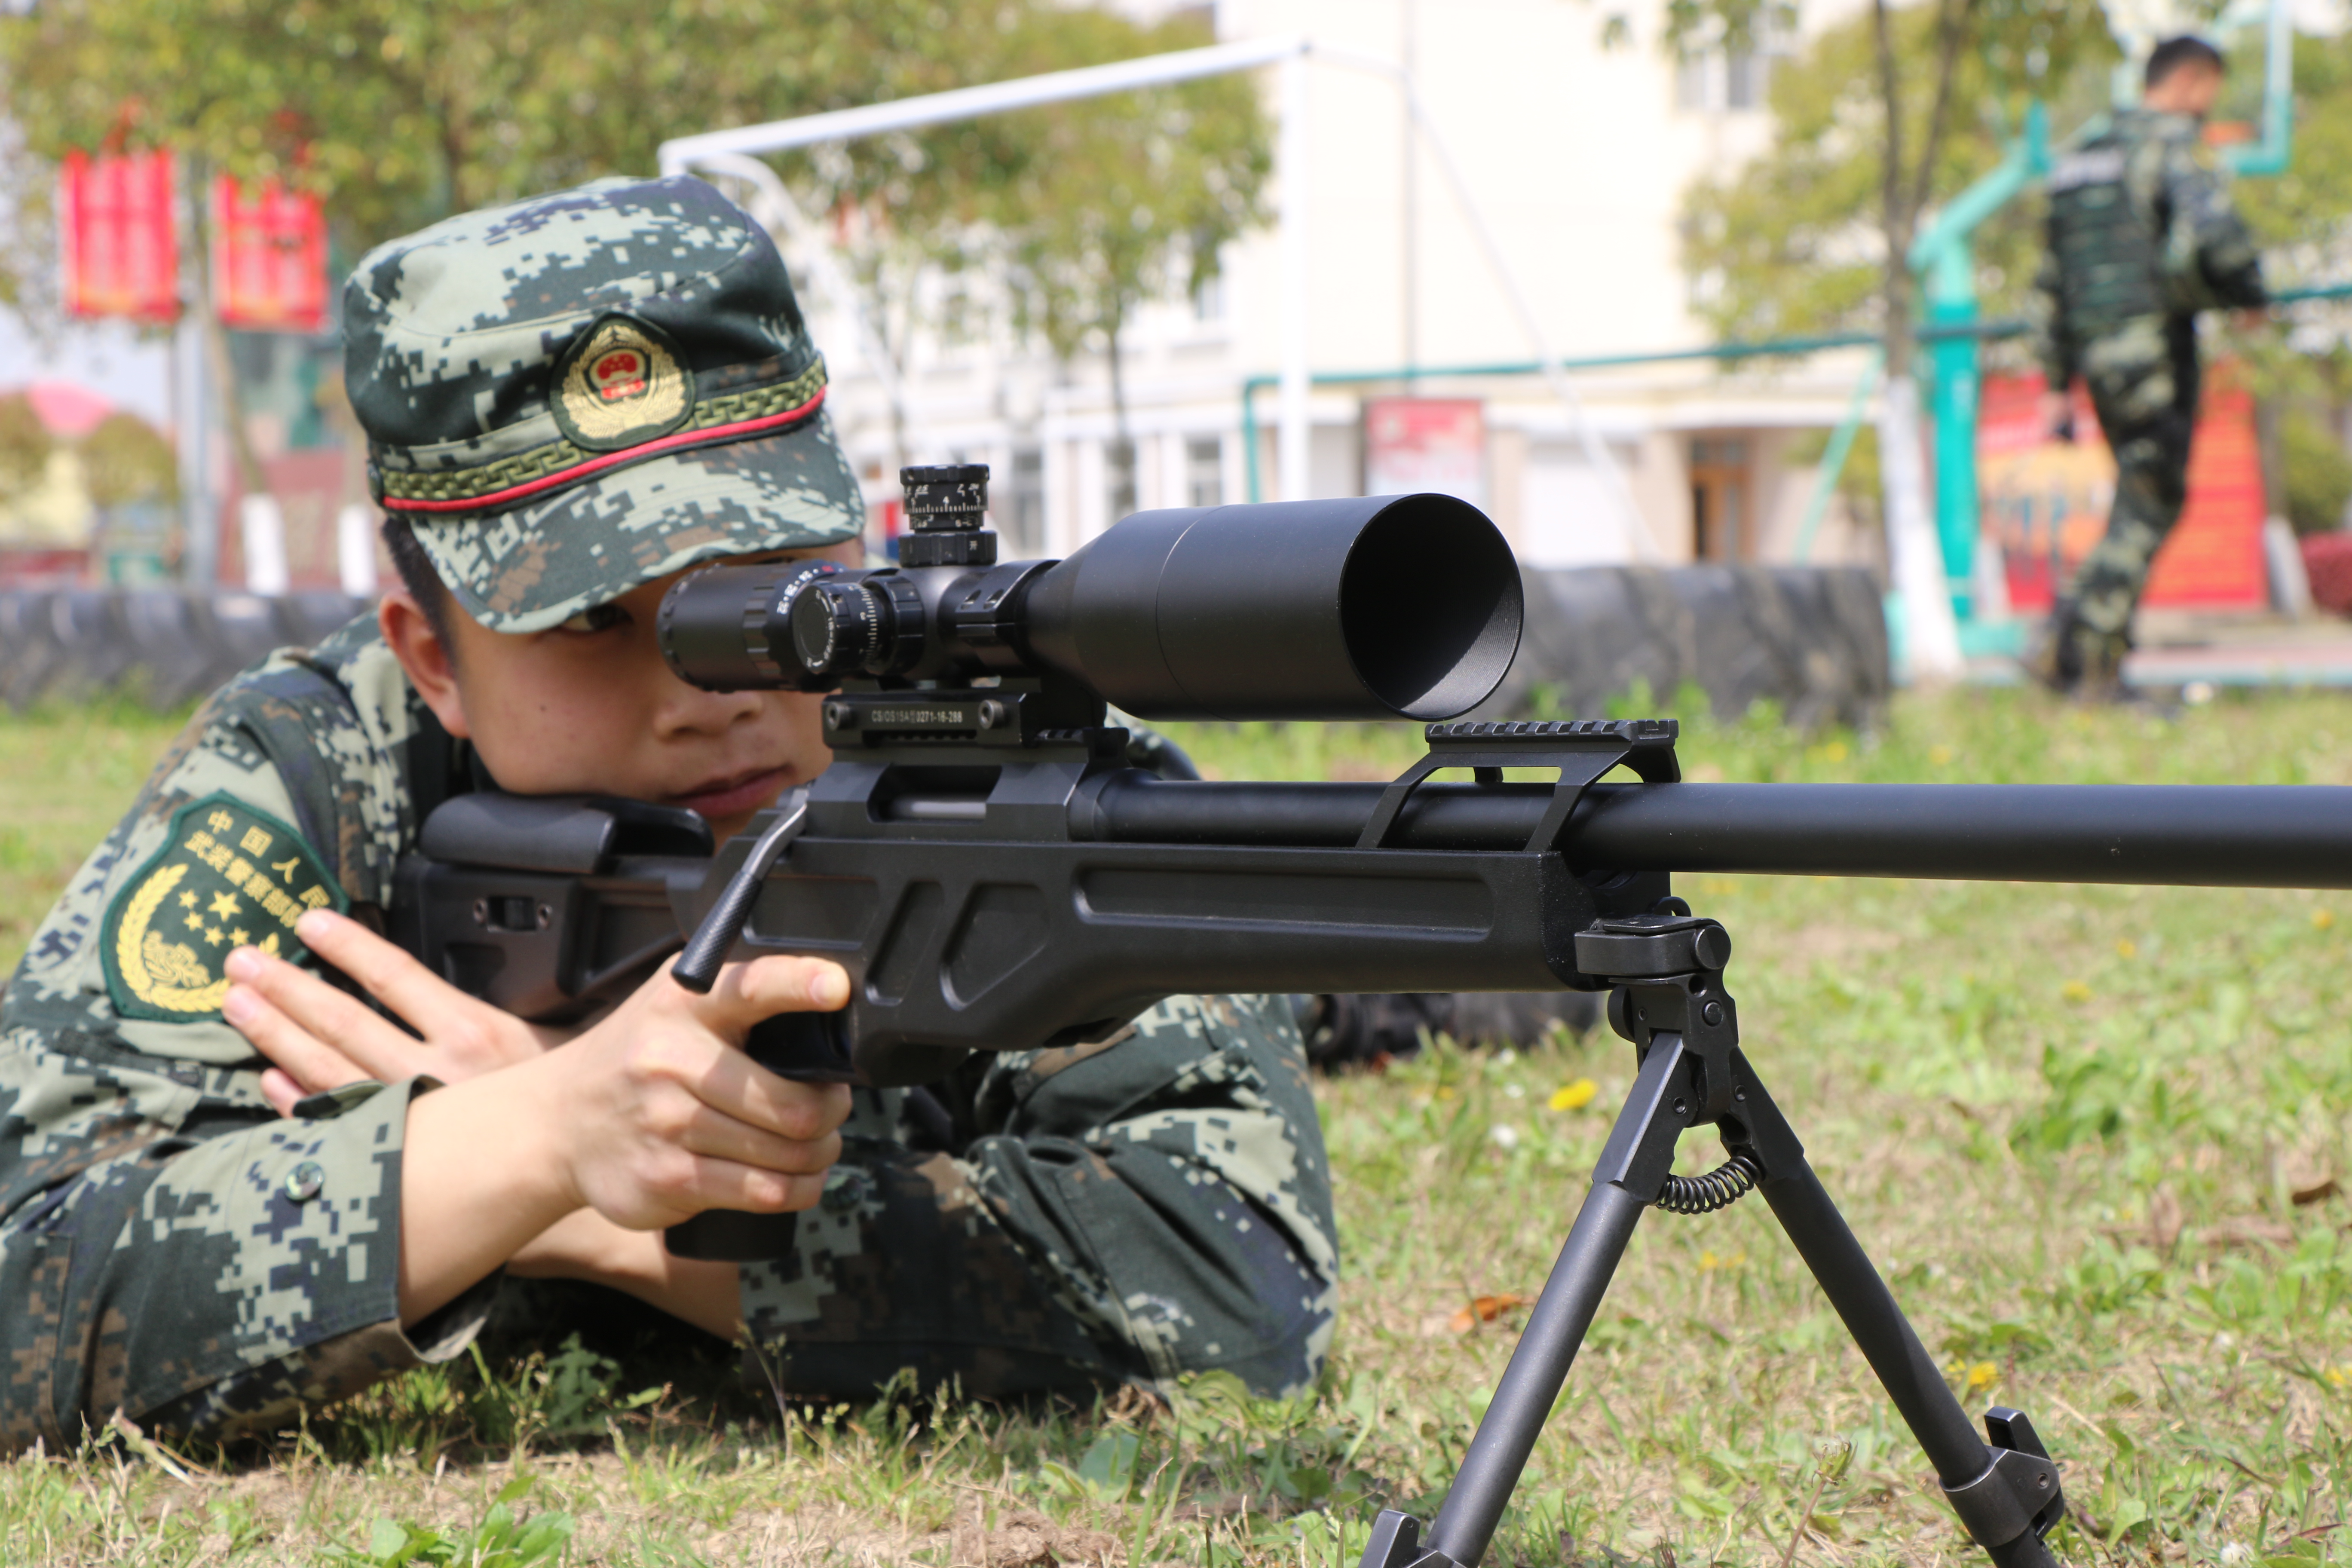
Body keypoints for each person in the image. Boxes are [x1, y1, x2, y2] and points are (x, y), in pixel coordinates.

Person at [0, 175, 1337, 1452]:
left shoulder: (1026, 790)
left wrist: (572, 1206)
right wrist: (543, 1137)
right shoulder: (326, 769)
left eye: (775, 592)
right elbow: (25, 1271)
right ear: (429, 658)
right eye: (594, 624)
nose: (711, 694)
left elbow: (1236, 1299)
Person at [2024, 35, 2269, 699]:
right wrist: (2250, 296)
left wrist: (2052, 383)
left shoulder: (2078, 160)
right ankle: (2080, 651)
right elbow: (2216, 235)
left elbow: (2048, 281)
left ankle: (2080, 648)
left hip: (2098, 362)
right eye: (2211, 90)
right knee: (2152, 500)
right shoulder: (2170, 144)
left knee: (2141, 496)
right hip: (2155, 353)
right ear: (2190, 80)